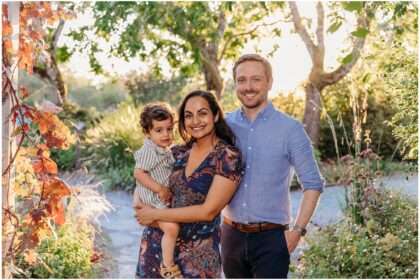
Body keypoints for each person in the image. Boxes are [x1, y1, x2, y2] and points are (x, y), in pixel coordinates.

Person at [221, 53, 325, 278]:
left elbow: (313, 184)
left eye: (256, 79)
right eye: (241, 80)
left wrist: (297, 232)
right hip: (230, 236)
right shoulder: (224, 126)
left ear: (269, 82)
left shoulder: (290, 129)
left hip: (271, 240)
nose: (248, 87)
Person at [134, 90, 243, 278]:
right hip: (156, 248)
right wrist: (139, 205)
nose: (195, 121)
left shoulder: (227, 157)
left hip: (198, 258)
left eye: (202, 113)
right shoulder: (176, 153)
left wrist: (153, 213)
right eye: (188, 115)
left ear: (215, 115)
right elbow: (143, 180)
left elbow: (207, 211)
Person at [132, 103, 182, 278]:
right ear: (148, 132)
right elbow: (138, 173)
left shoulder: (163, 149)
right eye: (159, 130)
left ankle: (166, 262)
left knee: (171, 227)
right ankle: (167, 266)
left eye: (169, 129)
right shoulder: (149, 150)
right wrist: (159, 189)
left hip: (158, 198)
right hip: (153, 197)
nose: (166, 134)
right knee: (172, 228)